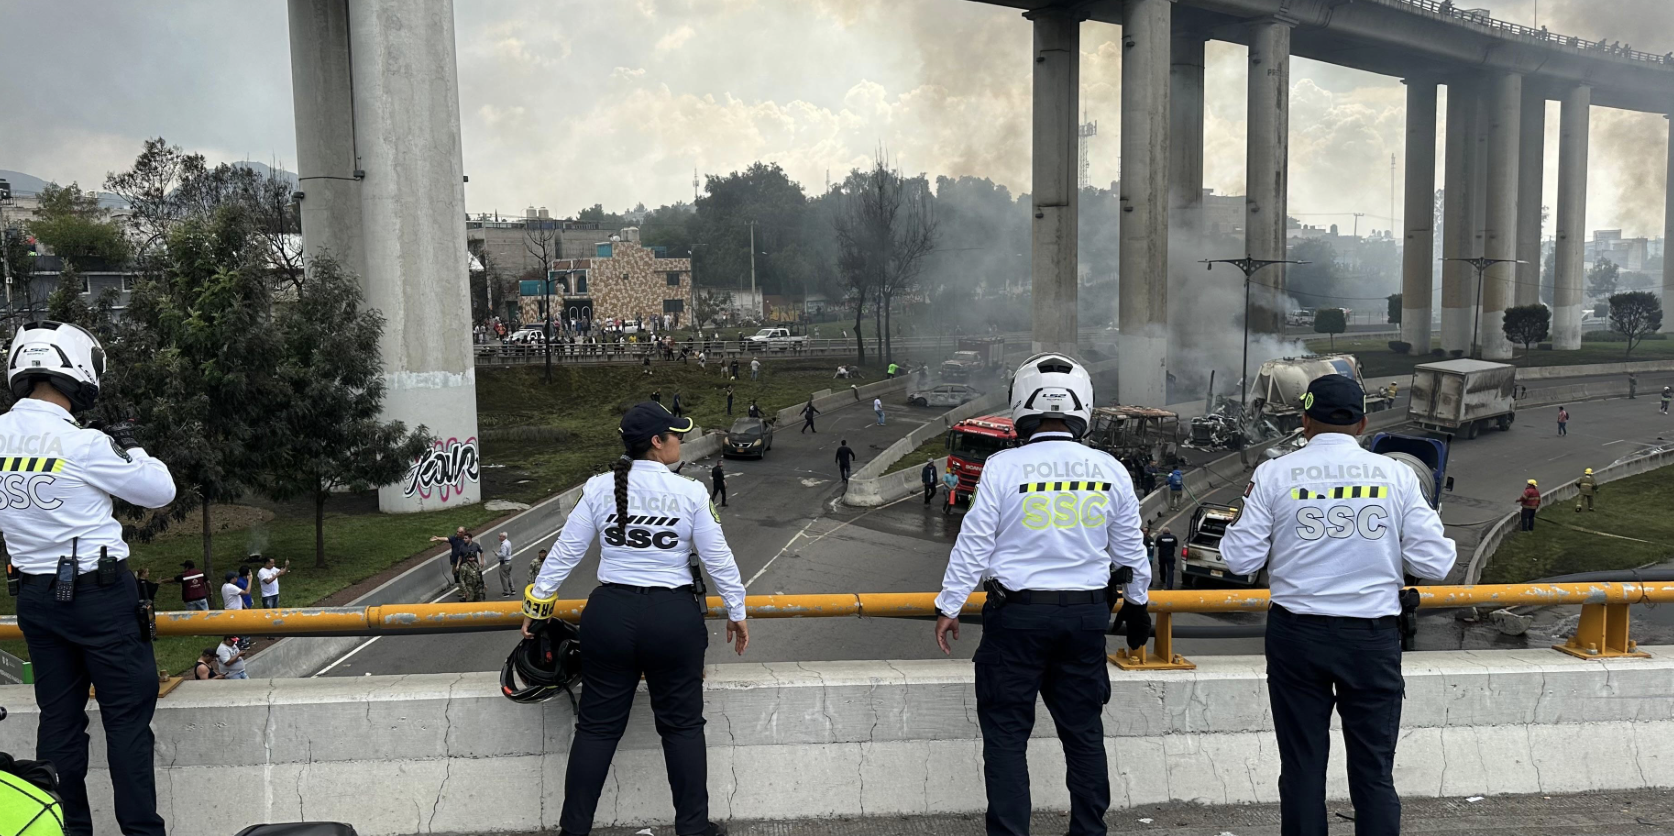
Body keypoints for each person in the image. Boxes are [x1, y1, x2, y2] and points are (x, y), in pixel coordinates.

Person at [1218, 373, 1456, 836]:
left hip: (1297, 637)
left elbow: (1238, 558)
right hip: (1371, 637)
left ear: (1305, 420)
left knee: (1303, 768)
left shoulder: (1274, 473)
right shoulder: (1397, 475)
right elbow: (1436, 560)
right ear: (1364, 422)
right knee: (1373, 771)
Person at [933, 352, 1153, 836]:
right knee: (1084, 735)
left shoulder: (1001, 467)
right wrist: (1138, 606)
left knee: (1008, 738)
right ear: (1084, 408)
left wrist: (950, 606)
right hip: (1085, 620)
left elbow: (974, 543)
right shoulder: (1109, 469)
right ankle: (1089, 830)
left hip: (1017, 620)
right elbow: (1132, 552)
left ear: (1020, 405)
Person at [523, 402, 749, 836]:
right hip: (673, 619)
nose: (680, 440)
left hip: (609, 617)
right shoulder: (691, 493)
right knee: (682, 729)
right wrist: (736, 612)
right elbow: (718, 559)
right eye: (675, 435)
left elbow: (565, 552)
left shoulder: (597, 488)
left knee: (596, 731)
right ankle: (693, 829)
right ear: (657, 443)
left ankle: (573, 832)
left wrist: (537, 607)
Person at [0, 321, 176, 836]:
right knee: (126, 720)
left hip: (34, 597)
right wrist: (134, 447)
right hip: (99, 597)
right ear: (77, 370)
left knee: (58, 722)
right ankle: (142, 832)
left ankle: (63, 829)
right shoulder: (84, 443)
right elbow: (158, 490)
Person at [429, 526, 469, 595]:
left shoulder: (466, 540)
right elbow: (446, 539)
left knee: (463, 575)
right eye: (457, 531)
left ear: (464, 533)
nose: (458, 533)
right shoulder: (454, 539)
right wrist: (437, 538)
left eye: (460, 532)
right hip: (454, 560)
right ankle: (461, 588)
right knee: (455, 574)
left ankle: (465, 590)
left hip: (464, 561)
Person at [457, 534, 486, 602]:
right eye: (464, 538)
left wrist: (482, 561)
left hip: (475, 566)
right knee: (467, 580)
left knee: (477, 579)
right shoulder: (462, 547)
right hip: (466, 566)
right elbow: (460, 557)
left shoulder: (476, 545)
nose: (464, 539)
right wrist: (458, 565)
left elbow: (481, 552)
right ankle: (466, 594)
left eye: (465, 538)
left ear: (470, 539)